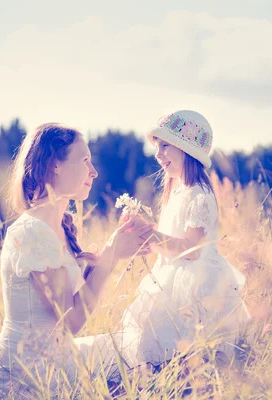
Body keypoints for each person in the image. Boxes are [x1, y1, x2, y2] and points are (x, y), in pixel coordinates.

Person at [75, 110, 250, 379]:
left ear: (187, 149)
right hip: (170, 277)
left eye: (165, 145)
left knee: (182, 344)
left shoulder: (199, 194)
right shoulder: (178, 191)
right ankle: (162, 381)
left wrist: (150, 235)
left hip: (194, 285)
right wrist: (145, 236)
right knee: (154, 343)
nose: (158, 154)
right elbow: (171, 241)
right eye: (157, 146)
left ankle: (183, 381)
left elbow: (192, 249)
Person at [0, 123, 152, 398]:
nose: (94, 172)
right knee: (135, 359)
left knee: (141, 346)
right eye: (85, 161)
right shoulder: (32, 233)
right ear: (55, 165)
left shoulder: (55, 228)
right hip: (26, 380)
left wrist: (109, 255)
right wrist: (110, 256)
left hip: (54, 361)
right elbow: (70, 321)